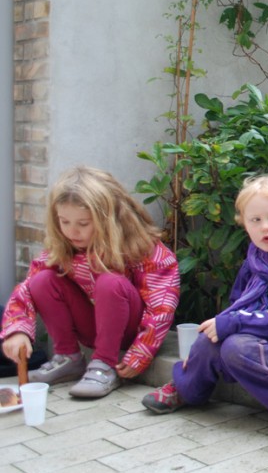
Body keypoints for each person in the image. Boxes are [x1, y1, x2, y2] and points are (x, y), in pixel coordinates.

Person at [142, 174, 268, 442]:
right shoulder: (255, 258)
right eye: (255, 220)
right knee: (212, 337)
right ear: (244, 223)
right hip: (260, 337)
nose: (266, 227)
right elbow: (237, 305)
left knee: (234, 345)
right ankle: (187, 389)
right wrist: (222, 326)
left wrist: (233, 323)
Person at [1, 166, 180, 398]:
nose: (72, 231)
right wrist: (16, 331)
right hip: (93, 327)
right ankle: (69, 358)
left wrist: (140, 354)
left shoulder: (143, 248)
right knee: (42, 280)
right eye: (64, 222)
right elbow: (26, 290)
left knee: (110, 282)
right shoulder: (65, 246)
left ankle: (104, 365)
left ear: (109, 218)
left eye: (83, 224)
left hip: (129, 331)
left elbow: (161, 306)